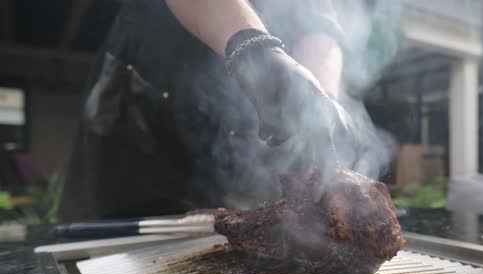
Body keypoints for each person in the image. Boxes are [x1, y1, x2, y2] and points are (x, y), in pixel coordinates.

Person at [59, 0, 392, 221]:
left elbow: (318, 20)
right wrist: (252, 46)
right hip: (139, 127)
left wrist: (319, 103)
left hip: (227, 154)